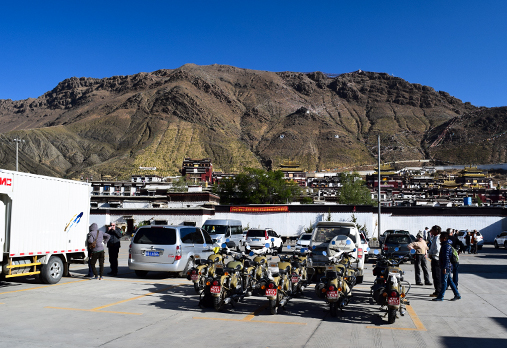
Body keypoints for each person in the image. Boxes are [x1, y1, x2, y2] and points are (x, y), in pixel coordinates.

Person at [432, 233, 461, 301]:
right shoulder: (445, 245)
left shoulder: (446, 246)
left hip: (446, 267)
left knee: (444, 282)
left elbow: (446, 258)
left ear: (444, 238)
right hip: (446, 266)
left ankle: (441, 296)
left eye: (441, 237)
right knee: (450, 281)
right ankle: (457, 294)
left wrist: (444, 267)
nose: (440, 239)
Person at [428, 225, 442, 297]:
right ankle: (437, 290)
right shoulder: (435, 237)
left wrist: (431, 254)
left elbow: (437, 250)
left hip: (436, 259)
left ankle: (438, 291)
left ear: (436, 231)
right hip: (435, 259)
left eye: (433, 230)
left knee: (436, 275)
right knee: (435, 275)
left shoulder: (437, 238)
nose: (431, 232)